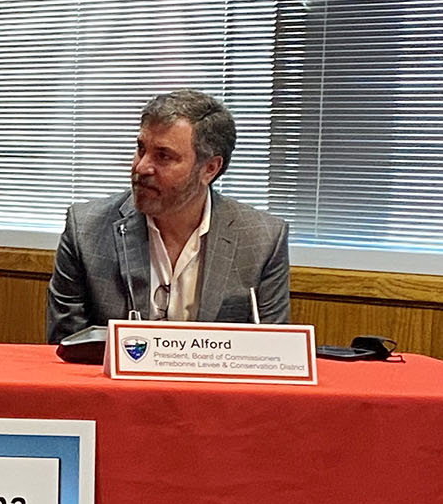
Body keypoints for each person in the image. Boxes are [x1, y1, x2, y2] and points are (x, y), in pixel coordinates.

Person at [44, 89, 289, 344]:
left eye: (163, 156)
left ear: (209, 169)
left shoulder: (262, 240)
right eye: (141, 149)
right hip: (114, 383)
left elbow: (271, 351)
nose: (141, 167)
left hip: (211, 384)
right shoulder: (86, 231)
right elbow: (66, 351)